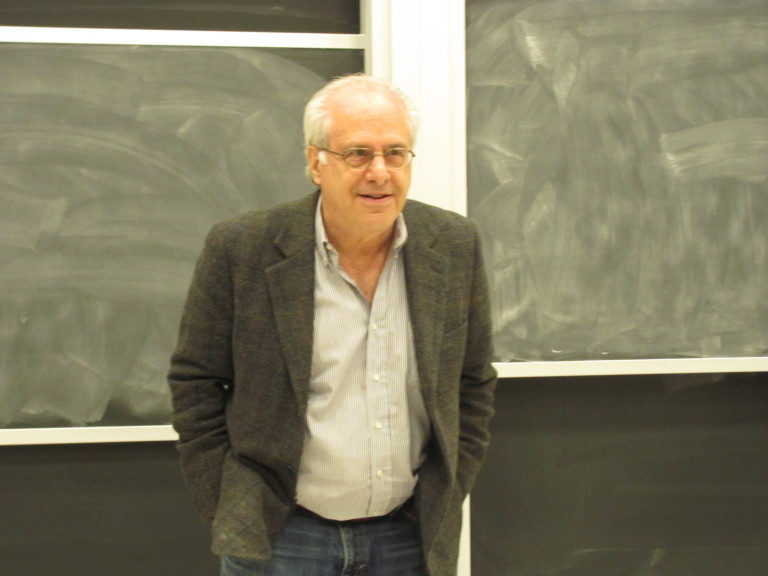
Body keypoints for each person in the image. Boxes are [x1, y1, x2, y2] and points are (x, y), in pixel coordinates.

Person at [168, 73, 497, 576]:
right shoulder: (243, 248)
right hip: (281, 536)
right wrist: (228, 502)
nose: (379, 172)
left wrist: (448, 487)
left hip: (408, 536)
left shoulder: (453, 245)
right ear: (315, 162)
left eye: (395, 153)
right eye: (358, 154)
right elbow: (197, 382)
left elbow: (472, 381)